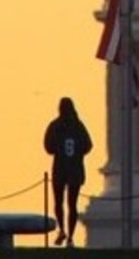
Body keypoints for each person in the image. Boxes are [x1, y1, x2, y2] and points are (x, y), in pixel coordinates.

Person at [43, 96, 93, 246]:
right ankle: (70, 236)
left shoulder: (55, 125)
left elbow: (48, 147)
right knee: (73, 204)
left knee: (59, 202)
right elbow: (88, 145)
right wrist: (78, 154)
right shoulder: (78, 126)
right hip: (75, 169)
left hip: (60, 169)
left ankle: (62, 230)